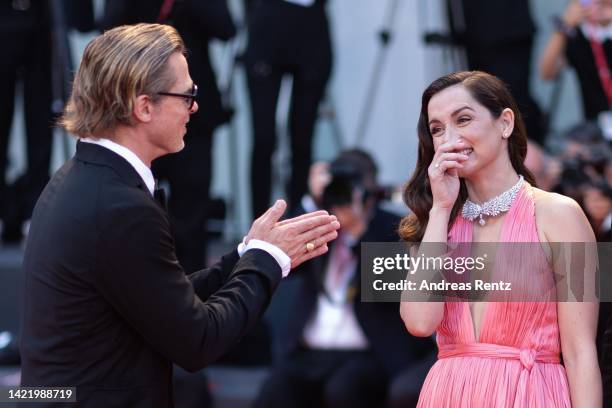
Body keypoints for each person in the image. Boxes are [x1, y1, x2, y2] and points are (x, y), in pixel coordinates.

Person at [19, 23, 340, 407]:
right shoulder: (119, 204)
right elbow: (198, 339)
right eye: (188, 94)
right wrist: (268, 261)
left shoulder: (82, 179)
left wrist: (245, 255)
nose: (196, 106)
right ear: (143, 106)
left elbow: (161, 298)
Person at [399, 71, 601, 406]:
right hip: (449, 393)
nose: (450, 138)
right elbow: (420, 323)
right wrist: (440, 210)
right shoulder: (437, 222)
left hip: (530, 393)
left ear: (505, 123)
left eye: (463, 119)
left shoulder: (560, 214)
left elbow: (581, 353)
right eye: (437, 129)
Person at [254, 150, 435, 408]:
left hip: (367, 352)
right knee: (275, 389)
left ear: (369, 193)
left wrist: (359, 232)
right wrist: (311, 202)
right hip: (309, 351)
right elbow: (281, 262)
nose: (341, 198)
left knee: (343, 389)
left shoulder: (394, 228)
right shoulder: (318, 224)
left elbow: (389, 288)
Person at [101, 0, 236, 271]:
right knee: (136, 209)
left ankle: (193, 298)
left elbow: (226, 28)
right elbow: (109, 30)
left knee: (192, 214)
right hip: (139, 112)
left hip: (192, 117)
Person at [244, 0, 333, 218]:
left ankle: (300, 218)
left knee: (303, 139)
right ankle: (259, 224)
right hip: (267, 23)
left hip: (310, 26)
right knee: (263, 139)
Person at [539, 0, 612, 121]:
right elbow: (547, 73)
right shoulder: (578, 36)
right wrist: (563, 27)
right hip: (595, 125)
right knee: (576, 140)